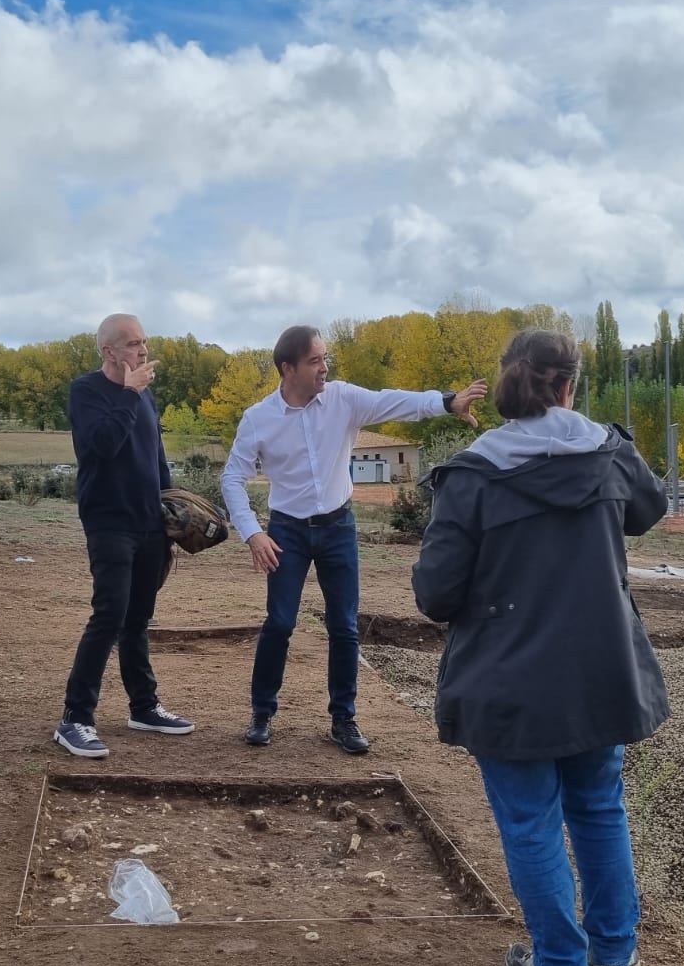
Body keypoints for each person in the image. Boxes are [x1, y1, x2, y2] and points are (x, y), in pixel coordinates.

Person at [411, 328, 669, 966]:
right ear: (568, 386)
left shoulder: (472, 474)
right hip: (600, 671)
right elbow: (651, 509)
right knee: (598, 805)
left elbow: (434, 594)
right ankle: (612, 952)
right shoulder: (610, 454)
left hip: (511, 681)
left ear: (509, 383)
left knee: (531, 821)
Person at [220, 325, 485, 754]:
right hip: (286, 532)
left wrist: (447, 401)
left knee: (344, 627)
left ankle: (344, 718)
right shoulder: (258, 419)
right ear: (287, 368)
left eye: (326, 359)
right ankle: (262, 712)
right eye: (314, 361)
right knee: (280, 623)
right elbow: (232, 478)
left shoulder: (343, 399)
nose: (324, 368)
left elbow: (392, 399)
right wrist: (252, 533)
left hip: (338, 528)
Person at [52, 313, 194, 760]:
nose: (143, 351)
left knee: (138, 618)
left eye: (144, 342)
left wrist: (171, 510)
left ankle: (144, 706)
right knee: (109, 614)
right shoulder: (86, 392)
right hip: (108, 521)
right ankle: (75, 718)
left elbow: (156, 456)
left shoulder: (145, 395)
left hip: (150, 522)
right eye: (133, 344)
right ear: (109, 351)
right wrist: (130, 393)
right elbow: (102, 445)